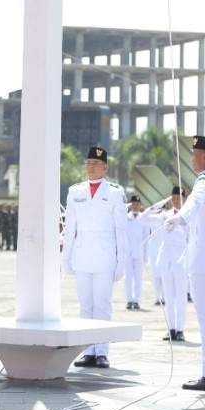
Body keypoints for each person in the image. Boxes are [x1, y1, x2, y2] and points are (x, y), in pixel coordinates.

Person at [164, 135, 205, 392]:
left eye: (193, 154)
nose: (191, 159)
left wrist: (180, 217)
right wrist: (183, 224)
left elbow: (194, 201)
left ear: (204, 156)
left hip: (204, 255)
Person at [62, 146, 127, 369]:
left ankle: (102, 351)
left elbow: (121, 229)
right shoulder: (75, 191)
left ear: (105, 167)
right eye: (88, 163)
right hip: (81, 253)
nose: (91, 167)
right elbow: (70, 226)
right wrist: (65, 256)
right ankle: (87, 351)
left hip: (105, 254)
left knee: (102, 305)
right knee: (85, 305)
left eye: (96, 164)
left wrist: (122, 260)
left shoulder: (115, 192)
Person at [142, 187, 189, 341]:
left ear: (185, 199)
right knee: (168, 296)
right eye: (173, 197)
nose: (176, 200)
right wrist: (163, 202)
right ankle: (171, 329)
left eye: (179, 197)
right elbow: (143, 217)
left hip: (181, 259)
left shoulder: (187, 216)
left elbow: (192, 239)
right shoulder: (164, 215)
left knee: (181, 296)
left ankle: (181, 329)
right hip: (166, 259)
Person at [122, 195, 150, 310]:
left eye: (137, 204)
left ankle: (136, 300)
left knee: (138, 278)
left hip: (139, 252)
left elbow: (146, 238)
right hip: (127, 252)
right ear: (130, 205)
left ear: (140, 206)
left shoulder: (144, 219)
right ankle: (129, 300)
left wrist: (146, 255)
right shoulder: (125, 218)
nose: (135, 206)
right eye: (133, 204)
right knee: (128, 277)